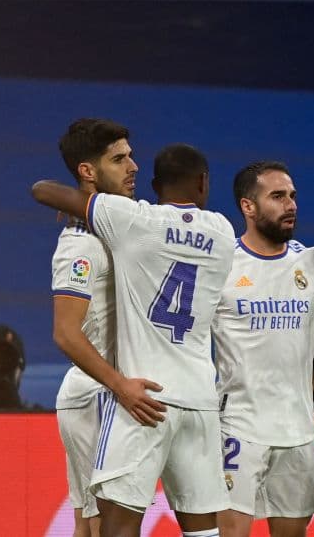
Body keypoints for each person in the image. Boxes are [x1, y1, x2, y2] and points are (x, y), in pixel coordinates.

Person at [32, 143, 235, 537]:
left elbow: (42, 190)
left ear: (155, 187)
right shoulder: (223, 230)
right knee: (203, 528)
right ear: (203, 183)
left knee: (116, 524)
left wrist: (80, 205)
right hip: (199, 399)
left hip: (142, 397)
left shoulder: (134, 220)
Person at [212, 160, 314, 537]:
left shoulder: (313, 263)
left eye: (292, 196)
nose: (290, 205)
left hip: (298, 433)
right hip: (237, 428)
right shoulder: (221, 266)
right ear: (248, 206)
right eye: (277, 196)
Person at [50, 118, 138, 537]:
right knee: (102, 523)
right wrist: (120, 385)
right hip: (98, 394)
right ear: (88, 171)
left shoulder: (119, 226)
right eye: (118, 159)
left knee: (93, 524)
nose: (133, 167)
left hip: (116, 393)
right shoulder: (80, 246)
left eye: (130, 156)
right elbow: (66, 333)